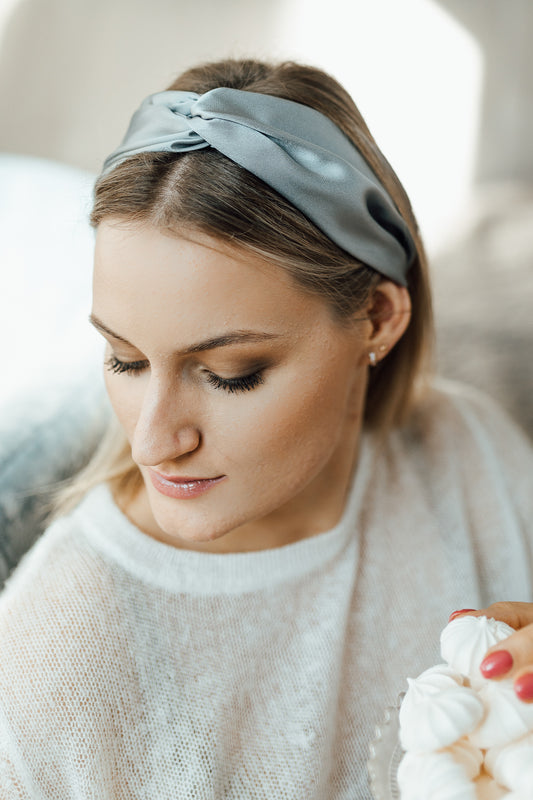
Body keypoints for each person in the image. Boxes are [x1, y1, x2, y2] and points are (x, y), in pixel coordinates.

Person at [0, 57, 532, 799]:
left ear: (376, 317)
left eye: (231, 373)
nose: (154, 441)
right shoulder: (44, 674)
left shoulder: (467, 450)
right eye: (124, 360)